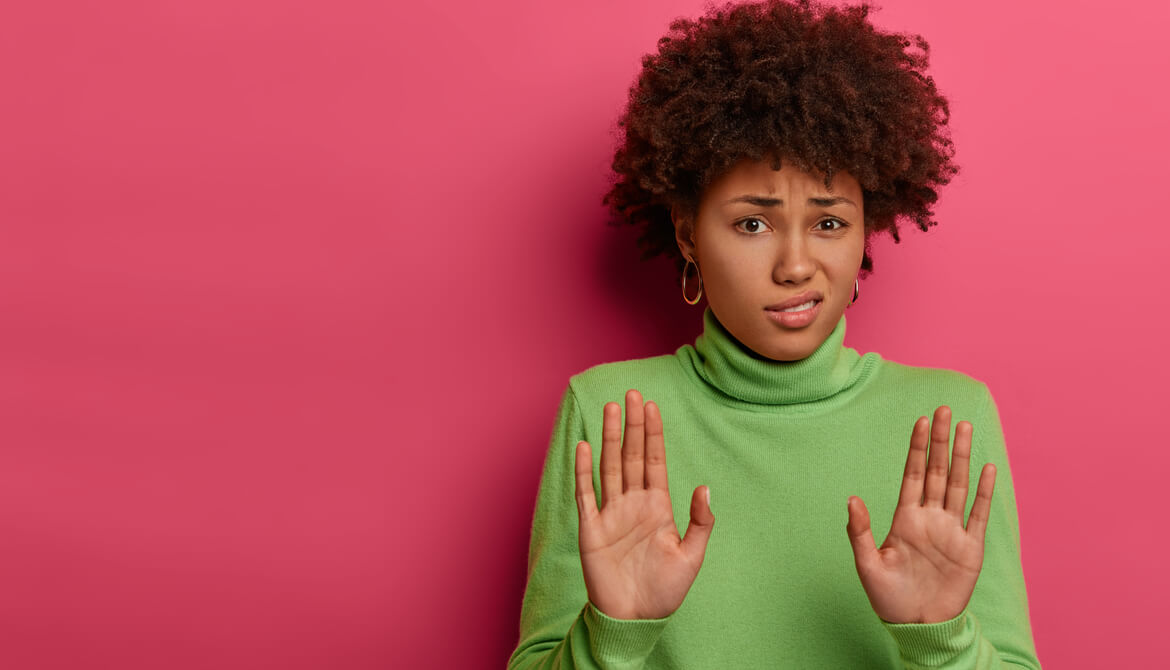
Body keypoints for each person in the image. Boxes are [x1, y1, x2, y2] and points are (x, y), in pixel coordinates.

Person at [508, 0, 1041, 667]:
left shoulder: (947, 420)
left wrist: (942, 638)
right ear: (688, 236)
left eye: (828, 224)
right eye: (752, 224)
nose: (795, 267)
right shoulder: (612, 412)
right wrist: (613, 632)